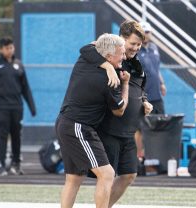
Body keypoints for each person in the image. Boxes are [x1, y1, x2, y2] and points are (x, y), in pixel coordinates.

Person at [80, 20, 153, 208]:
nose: (136, 48)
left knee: (129, 174)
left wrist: (144, 101)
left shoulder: (136, 63)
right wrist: (106, 65)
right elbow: (86, 49)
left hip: (128, 131)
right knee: (106, 176)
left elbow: (140, 88)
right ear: (122, 39)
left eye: (139, 44)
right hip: (110, 128)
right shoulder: (111, 55)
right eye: (133, 44)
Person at [55, 33, 130, 208]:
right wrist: (125, 84)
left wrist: (109, 66)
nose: (124, 57)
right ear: (109, 56)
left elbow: (88, 47)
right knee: (107, 174)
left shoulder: (85, 60)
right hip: (78, 128)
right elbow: (119, 110)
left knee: (74, 178)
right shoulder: (110, 80)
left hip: (64, 122)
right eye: (121, 53)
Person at [0, 37, 36, 177]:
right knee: (2, 135)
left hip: (16, 107)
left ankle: (16, 164)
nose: (10, 50)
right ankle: (0, 165)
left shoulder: (18, 65)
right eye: (7, 48)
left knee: (16, 136)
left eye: (11, 47)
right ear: (1, 49)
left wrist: (32, 107)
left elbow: (25, 88)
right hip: (1, 107)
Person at [135, 21, 167, 158]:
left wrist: (162, 83)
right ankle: (139, 156)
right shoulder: (136, 50)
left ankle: (157, 155)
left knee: (160, 124)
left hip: (156, 95)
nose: (147, 35)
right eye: (144, 32)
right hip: (144, 95)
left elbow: (156, 69)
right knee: (140, 128)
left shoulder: (154, 47)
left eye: (148, 32)